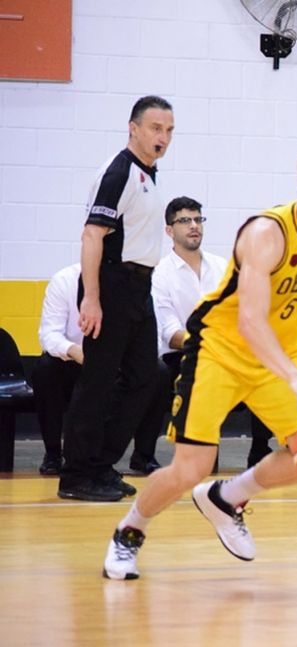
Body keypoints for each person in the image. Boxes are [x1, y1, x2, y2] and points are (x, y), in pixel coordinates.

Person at [102, 140, 297, 580]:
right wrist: (293, 377)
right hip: (221, 350)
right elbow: (249, 321)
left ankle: (227, 497)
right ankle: (128, 532)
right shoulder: (267, 233)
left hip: (282, 355)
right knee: (191, 468)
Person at [58, 96, 174, 502]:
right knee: (98, 380)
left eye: (169, 130)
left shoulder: (148, 175)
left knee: (146, 375)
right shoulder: (119, 171)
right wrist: (91, 298)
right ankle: (76, 474)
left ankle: (101, 464)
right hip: (111, 284)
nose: (163, 137)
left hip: (139, 288)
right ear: (133, 128)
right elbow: (92, 234)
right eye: (156, 128)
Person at [136, 196, 230, 475]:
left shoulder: (222, 267)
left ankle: (259, 450)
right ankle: (145, 455)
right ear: (169, 230)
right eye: (185, 221)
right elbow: (169, 332)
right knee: (188, 371)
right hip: (180, 354)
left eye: (198, 219)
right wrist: (208, 343)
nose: (194, 226)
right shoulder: (159, 273)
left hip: (223, 352)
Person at [32, 263, 84, 475]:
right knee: (45, 369)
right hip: (72, 359)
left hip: (111, 362)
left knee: (155, 370)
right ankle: (53, 452)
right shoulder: (64, 280)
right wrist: (74, 351)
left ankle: (141, 455)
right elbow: (49, 335)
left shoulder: (127, 281)